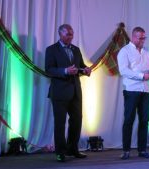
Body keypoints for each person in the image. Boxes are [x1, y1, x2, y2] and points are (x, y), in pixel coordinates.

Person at [45, 24, 91, 162]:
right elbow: (49, 69)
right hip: (59, 93)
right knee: (60, 123)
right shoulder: (52, 50)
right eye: (67, 35)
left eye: (72, 34)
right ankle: (60, 152)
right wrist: (65, 71)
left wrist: (86, 70)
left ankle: (73, 149)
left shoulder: (76, 50)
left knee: (76, 121)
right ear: (60, 34)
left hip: (76, 91)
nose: (70, 37)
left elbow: (80, 67)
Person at [117, 26, 149, 160]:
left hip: (145, 90)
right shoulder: (125, 51)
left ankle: (142, 150)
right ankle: (126, 150)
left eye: (144, 38)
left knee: (145, 120)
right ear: (133, 37)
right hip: (131, 90)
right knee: (129, 120)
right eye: (140, 38)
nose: (143, 40)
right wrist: (142, 76)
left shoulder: (146, 52)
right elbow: (124, 71)